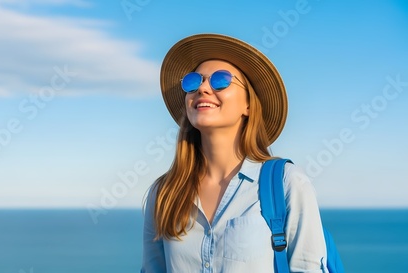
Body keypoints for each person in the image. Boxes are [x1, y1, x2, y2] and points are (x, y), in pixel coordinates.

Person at [141, 33, 329, 273]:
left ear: (248, 105)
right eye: (193, 81)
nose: (203, 88)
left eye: (220, 80)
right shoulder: (163, 194)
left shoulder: (286, 183)